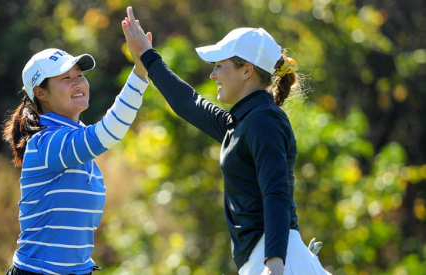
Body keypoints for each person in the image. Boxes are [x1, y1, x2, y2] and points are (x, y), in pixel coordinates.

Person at [121, 6, 330, 275]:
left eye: (220, 66)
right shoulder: (243, 121)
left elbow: (276, 192)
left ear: (247, 71)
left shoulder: (263, 121)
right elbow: (188, 102)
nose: (213, 75)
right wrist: (148, 57)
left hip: (275, 259)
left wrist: (275, 261)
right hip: (269, 257)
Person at [2, 43, 150, 275]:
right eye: (66, 78)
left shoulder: (73, 139)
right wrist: (139, 73)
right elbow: (108, 131)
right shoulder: (46, 142)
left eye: (79, 75)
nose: (78, 82)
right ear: (41, 93)